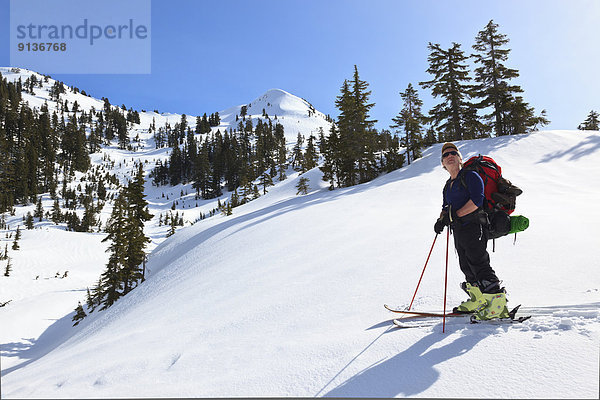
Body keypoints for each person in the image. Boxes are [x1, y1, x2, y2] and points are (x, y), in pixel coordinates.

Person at [434, 142, 510, 320]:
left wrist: (455, 215)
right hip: (459, 230)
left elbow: (477, 201)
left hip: (475, 226)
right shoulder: (448, 185)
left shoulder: (471, 176)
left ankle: (497, 304)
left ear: (460, 159)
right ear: (443, 164)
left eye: (454, 153)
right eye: (446, 155)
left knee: (478, 262)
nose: (450, 156)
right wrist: (441, 220)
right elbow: (446, 207)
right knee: (466, 265)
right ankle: (478, 299)